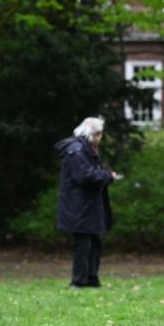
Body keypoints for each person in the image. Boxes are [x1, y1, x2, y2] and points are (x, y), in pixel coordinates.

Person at [56, 116, 118, 288]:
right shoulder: (77, 151)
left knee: (94, 242)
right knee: (83, 244)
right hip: (80, 206)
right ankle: (78, 281)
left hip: (88, 205)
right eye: (99, 134)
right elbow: (85, 176)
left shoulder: (85, 150)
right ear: (94, 134)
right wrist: (108, 176)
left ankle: (92, 278)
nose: (101, 138)